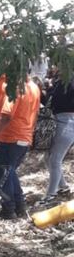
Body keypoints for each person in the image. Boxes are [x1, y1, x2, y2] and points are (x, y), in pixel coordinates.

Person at [0, 75, 42, 219]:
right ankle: (20, 206)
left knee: (2, 173)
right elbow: (36, 113)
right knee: (9, 172)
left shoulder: (15, 88)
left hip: (8, 138)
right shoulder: (34, 87)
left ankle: (8, 210)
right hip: (24, 137)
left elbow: (6, 116)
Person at [41, 69, 74, 206]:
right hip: (58, 122)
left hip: (67, 122)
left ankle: (50, 195)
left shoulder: (69, 83)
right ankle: (63, 187)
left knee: (54, 160)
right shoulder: (59, 82)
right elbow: (51, 101)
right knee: (48, 158)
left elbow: (55, 101)